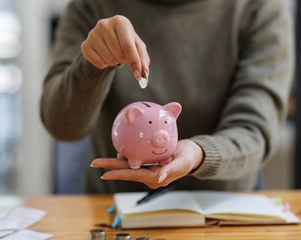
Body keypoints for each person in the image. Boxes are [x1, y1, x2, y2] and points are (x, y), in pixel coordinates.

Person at [40, 0, 294, 193]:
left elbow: (255, 129)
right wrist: (93, 66)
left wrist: (200, 154)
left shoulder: (260, 7)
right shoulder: (92, 5)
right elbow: (62, 125)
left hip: (222, 210)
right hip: (115, 210)